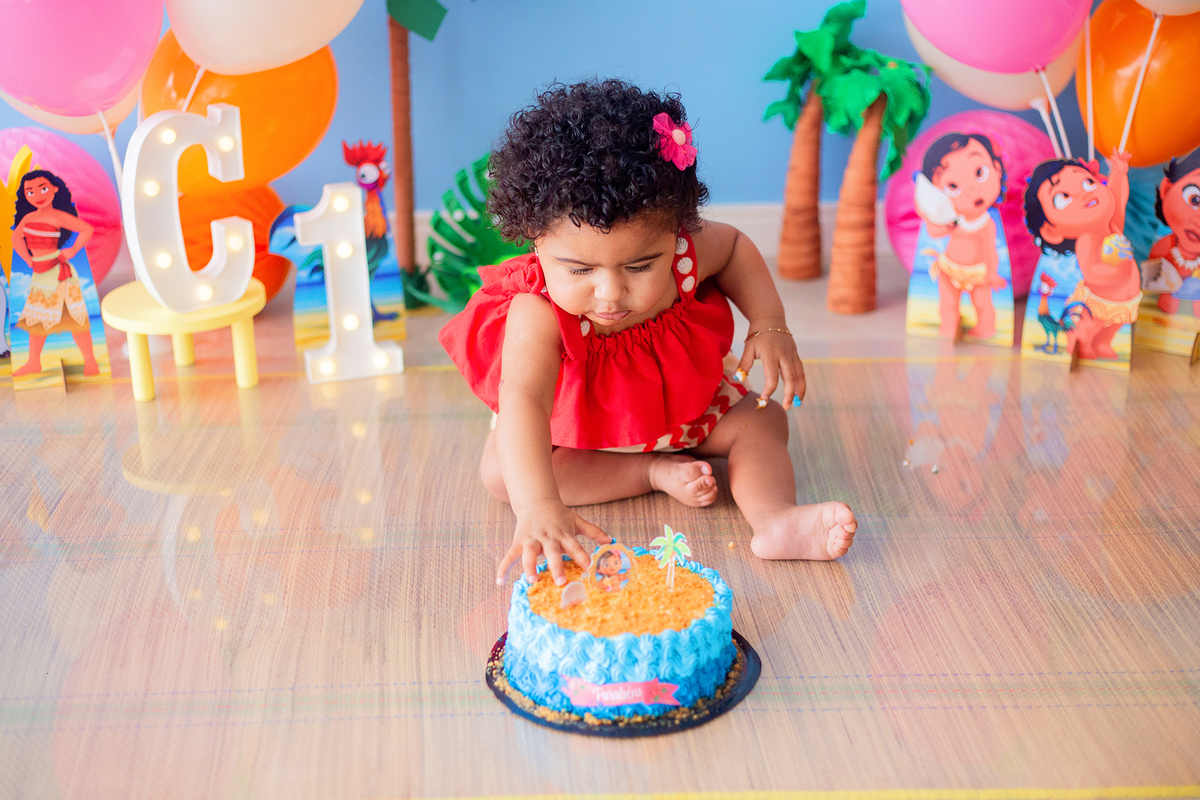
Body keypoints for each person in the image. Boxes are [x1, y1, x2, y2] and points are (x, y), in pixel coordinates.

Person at [439, 80, 857, 587]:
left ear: (676, 231)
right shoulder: (539, 309)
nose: (610, 293)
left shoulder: (686, 256)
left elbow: (735, 248)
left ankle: (775, 518)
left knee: (763, 420)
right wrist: (537, 504)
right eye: (579, 270)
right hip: (581, 439)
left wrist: (769, 323)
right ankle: (650, 472)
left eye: (640, 266)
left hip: (683, 414)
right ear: (535, 239)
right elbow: (523, 400)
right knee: (502, 475)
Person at [1023, 151, 1141, 361]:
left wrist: (1119, 172)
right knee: (1088, 326)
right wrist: (1119, 270)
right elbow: (1093, 273)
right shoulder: (1088, 239)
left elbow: (1118, 198)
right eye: (1064, 197)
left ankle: (1103, 343)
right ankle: (1078, 343)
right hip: (1096, 301)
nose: (1083, 194)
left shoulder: (1112, 225)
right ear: (1051, 230)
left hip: (1124, 300)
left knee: (1114, 326)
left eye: (1088, 182)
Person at [913, 133, 1008, 339]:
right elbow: (935, 232)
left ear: (997, 169)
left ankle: (985, 328)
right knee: (948, 302)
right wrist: (926, 213)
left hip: (977, 273)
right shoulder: (951, 220)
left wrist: (991, 273)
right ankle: (949, 324)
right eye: (952, 186)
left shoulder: (986, 224)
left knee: (982, 303)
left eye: (980, 172)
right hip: (949, 268)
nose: (972, 190)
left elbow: (989, 249)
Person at [10, 169, 98, 376]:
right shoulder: (28, 218)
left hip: (60, 272)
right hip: (40, 272)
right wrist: (28, 259)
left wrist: (73, 250)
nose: (37, 196)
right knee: (35, 319)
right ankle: (33, 362)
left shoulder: (58, 216)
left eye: (43, 189)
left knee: (76, 319)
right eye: (30, 192)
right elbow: (16, 238)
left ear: (54, 189)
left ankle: (90, 361)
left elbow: (87, 229)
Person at [1148, 147, 1200, 317]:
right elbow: (1151, 282)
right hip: (1160, 317)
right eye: (1195, 199)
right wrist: (1164, 292)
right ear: (1167, 189)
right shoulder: (1163, 246)